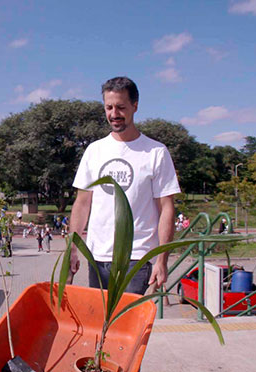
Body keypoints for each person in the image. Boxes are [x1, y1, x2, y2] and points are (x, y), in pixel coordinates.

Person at [69, 76, 180, 295]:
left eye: (120, 107)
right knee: (101, 324)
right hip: (98, 256)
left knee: (127, 324)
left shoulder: (156, 152)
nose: (114, 114)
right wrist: (72, 250)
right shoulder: (94, 150)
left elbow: (166, 207)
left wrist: (162, 259)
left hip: (137, 257)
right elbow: (82, 203)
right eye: (108, 107)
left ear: (135, 106)